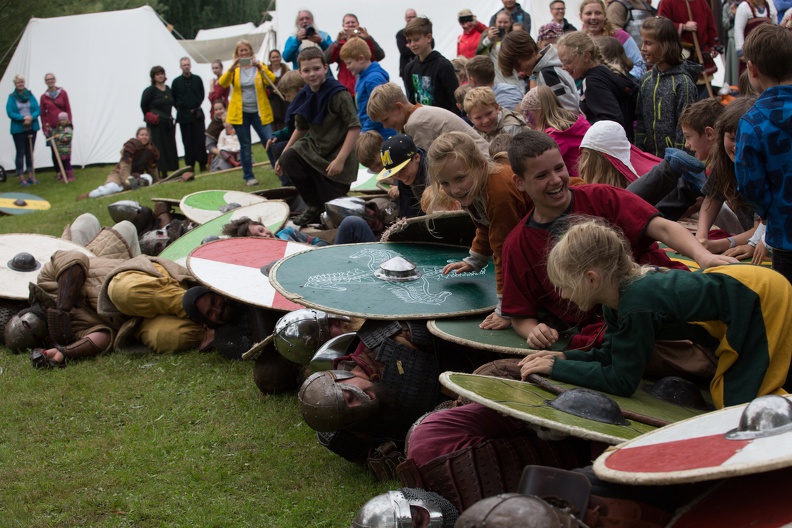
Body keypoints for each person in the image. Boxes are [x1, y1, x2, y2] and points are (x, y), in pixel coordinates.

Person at [500, 130, 735, 351]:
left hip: (659, 294)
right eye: (541, 175)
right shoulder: (518, 244)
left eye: (559, 168)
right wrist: (533, 330)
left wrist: (703, 256)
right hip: (604, 333)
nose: (555, 180)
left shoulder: (601, 196)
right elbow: (520, 313)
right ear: (520, 182)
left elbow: (663, 228)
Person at [519, 219, 792, 409]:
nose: (564, 295)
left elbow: (622, 380)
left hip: (758, 297)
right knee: (729, 392)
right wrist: (565, 357)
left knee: (738, 403)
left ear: (591, 279)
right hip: (741, 290)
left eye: (565, 287)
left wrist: (559, 369)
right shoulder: (616, 299)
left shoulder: (636, 304)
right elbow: (610, 355)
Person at [428, 132, 531, 330]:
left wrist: (505, 309)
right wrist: (475, 260)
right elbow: (486, 226)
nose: (455, 189)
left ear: (481, 166)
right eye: (445, 183)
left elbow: (506, 251)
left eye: (460, 178)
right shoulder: (475, 190)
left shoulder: (498, 192)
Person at [8, 216, 140, 367]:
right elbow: (105, 336)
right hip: (118, 272)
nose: (30, 325)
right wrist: (65, 351)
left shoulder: (44, 281)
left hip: (92, 262)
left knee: (86, 221)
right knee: (126, 227)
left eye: (25, 323)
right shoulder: (71, 333)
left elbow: (74, 260)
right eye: (31, 332)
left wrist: (62, 308)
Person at [275, 48, 361, 226]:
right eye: (306, 70)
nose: (312, 74)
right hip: (314, 152)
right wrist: (283, 153)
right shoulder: (304, 95)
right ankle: (313, 206)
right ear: (300, 72)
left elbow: (354, 127)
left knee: (335, 209)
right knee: (289, 157)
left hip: (337, 157)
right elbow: (301, 128)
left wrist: (340, 159)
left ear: (325, 67)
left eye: (316, 68)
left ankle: (323, 210)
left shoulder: (339, 94)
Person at [735, 24, 792, 282]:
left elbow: (750, 186)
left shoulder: (752, 122)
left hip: (784, 232)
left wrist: (769, 212)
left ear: (752, 69)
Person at [696, 97, 763, 258]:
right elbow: (712, 199)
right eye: (732, 138)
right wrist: (701, 238)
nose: (737, 145)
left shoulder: (761, 168)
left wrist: (722, 244)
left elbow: (761, 226)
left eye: (743, 139)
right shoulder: (724, 163)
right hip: (751, 238)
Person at [367, 82, 490, 155]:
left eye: (386, 119)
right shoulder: (419, 112)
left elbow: (428, 167)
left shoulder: (415, 123)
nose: (385, 126)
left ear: (399, 107)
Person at [635, 17, 698, 158]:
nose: (643, 48)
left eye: (648, 43)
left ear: (665, 45)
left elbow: (685, 128)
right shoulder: (646, 80)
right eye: (642, 42)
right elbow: (640, 120)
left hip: (674, 164)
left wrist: (678, 160)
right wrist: (639, 151)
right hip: (649, 159)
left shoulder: (683, 83)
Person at [556, 31, 638, 140]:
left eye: (568, 62)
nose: (563, 67)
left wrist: (582, 127)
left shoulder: (592, 82)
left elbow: (611, 121)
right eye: (562, 62)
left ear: (586, 56)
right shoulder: (603, 71)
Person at [218, 39, 276, 187]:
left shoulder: (258, 66)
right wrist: (232, 67)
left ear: (251, 51)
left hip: (259, 112)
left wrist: (261, 68)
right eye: (241, 51)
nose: (244, 53)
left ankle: (279, 169)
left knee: (269, 140)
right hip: (241, 113)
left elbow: (272, 80)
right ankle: (249, 176)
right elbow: (222, 83)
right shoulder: (235, 70)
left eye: (246, 50)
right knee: (245, 145)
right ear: (237, 54)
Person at [497, 30, 580, 113]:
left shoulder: (547, 74)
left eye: (518, 65)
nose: (519, 70)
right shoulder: (550, 65)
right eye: (515, 68)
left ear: (531, 51)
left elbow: (569, 108)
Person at [520, 86, 590, 176]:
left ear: (539, 111)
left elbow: (543, 164)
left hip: (582, 178)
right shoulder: (575, 120)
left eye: (528, 114)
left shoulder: (554, 136)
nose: (527, 120)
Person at [76, 127, 158, 200]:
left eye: (146, 135)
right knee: (111, 188)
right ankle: (90, 195)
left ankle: (130, 186)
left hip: (136, 176)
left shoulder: (150, 150)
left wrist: (156, 182)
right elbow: (124, 167)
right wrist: (127, 181)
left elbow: (152, 168)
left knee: (148, 177)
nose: (144, 137)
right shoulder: (130, 147)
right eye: (142, 135)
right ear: (137, 136)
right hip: (119, 175)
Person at [340, 37, 397, 139]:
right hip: (372, 132)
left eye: (349, 63)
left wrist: (365, 131)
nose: (347, 67)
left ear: (361, 59)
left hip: (382, 135)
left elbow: (380, 110)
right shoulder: (362, 77)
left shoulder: (373, 79)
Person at [403, 17, 460, 115]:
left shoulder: (443, 65)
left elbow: (454, 99)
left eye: (416, 40)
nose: (412, 44)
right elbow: (411, 101)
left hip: (444, 121)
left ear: (429, 37)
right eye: (409, 41)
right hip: (421, 122)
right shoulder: (409, 68)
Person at [658, 0, 720, 85]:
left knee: (704, 93)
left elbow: (711, 27)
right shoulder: (667, 2)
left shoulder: (701, 2)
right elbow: (660, 25)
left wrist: (714, 46)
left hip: (701, 57)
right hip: (681, 57)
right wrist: (683, 26)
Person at [579, 0, 646, 79]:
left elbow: (640, 66)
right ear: (581, 17)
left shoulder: (620, 36)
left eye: (598, 13)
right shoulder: (579, 40)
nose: (593, 17)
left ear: (605, 15)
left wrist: (621, 79)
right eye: (588, 13)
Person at [325, 13, 385, 95]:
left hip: (365, 84)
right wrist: (337, 42)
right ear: (343, 25)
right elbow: (326, 59)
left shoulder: (365, 41)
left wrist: (368, 38)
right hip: (347, 88)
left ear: (358, 24)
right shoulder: (340, 44)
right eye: (348, 23)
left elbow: (380, 56)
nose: (350, 25)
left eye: (353, 22)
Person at [264, 70, 306, 183]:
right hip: (299, 142)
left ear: (299, 91)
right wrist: (278, 135)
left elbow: (302, 130)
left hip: (308, 145)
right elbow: (292, 128)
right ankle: (286, 180)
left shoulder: (305, 106)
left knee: (281, 149)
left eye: (288, 95)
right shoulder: (295, 105)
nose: (286, 99)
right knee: (275, 145)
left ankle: (289, 183)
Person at [140, 65, 178, 178]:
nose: (160, 76)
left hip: (167, 122)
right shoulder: (150, 91)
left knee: (169, 146)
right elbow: (143, 106)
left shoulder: (168, 89)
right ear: (153, 77)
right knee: (158, 147)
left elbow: (173, 102)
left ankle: (171, 168)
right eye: (158, 74)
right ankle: (160, 171)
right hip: (156, 124)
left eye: (162, 73)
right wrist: (151, 116)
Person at [171, 57, 206, 174]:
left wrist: (195, 106)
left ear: (190, 66)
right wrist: (183, 109)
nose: (186, 67)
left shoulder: (197, 79)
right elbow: (174, 98)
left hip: (197, 114)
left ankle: (202, 164)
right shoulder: (176, 82)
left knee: (200, 140)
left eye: (188, 64)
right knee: (187, 142)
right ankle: (190, 166)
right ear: (181, 67)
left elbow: (201, 94)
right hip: (184, 115)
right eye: (184, 65)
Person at [6, 74, 40, 186]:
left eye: (22, 82)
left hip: (31, 126)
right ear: (15, 84)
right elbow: (10, 112)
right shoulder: (12, 97)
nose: (20, 84)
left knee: (30, 151)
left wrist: (31, 117)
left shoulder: (30, 95)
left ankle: (31, 176)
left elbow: (37, 108)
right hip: (19, 128)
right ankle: (21, 177)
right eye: (18, 82)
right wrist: (23, 118)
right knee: (20, 152)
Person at [476, 10, 523, 88]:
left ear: (510, 22)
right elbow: (479, 54)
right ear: (495, 22)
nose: (502, 25)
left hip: (511, 77)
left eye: (505, 22)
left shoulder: (515, 35)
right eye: (500, 22)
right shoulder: (487, 34)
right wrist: (489, 39)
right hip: (494, 78)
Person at [39, 73, 72, 181]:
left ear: (55, 80)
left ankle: (66, 172)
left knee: (64, 149)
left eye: (52, 79)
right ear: (45, 82)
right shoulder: (44, 97)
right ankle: (58, 171)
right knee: (54, 151)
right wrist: (44, 128)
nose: (50, 81)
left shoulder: (63, 93)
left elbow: (68, 108)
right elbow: (43, 114)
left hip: (63, 126)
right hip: (52, 127)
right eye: (48, 79)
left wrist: (70, 124)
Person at [464, 87, 529, 141]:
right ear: (470, 118)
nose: (485, 121)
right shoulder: (474, 133)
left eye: (488, 113)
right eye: (478, 117)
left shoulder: (512, 127)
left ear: (496, 107)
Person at [735, 0, 778, 75]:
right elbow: (738, 29)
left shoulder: (770, 6)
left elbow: (775, 28)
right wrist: (741, 52)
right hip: (750, 53)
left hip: (767, 53)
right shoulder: (744, 7)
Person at [267, 49, 290, 132]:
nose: (275, 59)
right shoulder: (266, 70)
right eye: (273, 57)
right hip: (273, 101)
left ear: (280, 58)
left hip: (284, 99)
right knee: (275, 120)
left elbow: (290, 81)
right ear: (270, 59)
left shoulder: (286, 69)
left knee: (286, 118)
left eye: (277, 57)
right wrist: (271, 91)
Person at [206, 100, 231, 172]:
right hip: (222, 153)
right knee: (222, 164)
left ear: (225, 108)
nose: (218, 111)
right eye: (216, 110)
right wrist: (221, 152)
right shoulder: (212, 126)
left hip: (237, 149)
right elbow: (210, 146)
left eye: (220, 109)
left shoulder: (233, 121)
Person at [50, 112, 75, 183]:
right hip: (60, 150)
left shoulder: (68, 128)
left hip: (66, 150)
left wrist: (60, 136)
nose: (62, 121)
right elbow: (56, 134)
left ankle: (71, 176)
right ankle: (64, 176)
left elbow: (68, 138)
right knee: (62, 164)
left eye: (64, 119)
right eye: (61, 120)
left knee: (67, 163)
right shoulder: (60, 128)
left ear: (67, 120)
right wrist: (52, 132)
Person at [396, 8, 419, 80]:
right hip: (406, 70)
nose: (411, 19)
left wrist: (409, 47)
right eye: (409, 17)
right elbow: (403, 51)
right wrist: (418, 46)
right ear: (405, 18)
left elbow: (431, 44)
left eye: (413, 17)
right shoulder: (400, 34)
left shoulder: (422, 31)